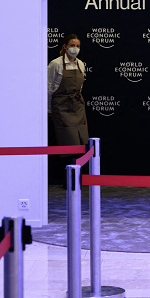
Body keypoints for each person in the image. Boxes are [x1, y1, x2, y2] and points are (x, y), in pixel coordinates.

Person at [48, 34, 89, 185]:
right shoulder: (56, 64)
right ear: (65, 46)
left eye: (78, 46)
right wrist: (49, 110)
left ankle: (78, 178)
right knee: (67, 142)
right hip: (62, 106)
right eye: (72, 45)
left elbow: (80, 86)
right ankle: (68, 179)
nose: (75, 49)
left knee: (81, 141)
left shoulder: (81, 64)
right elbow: (49, 88)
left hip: (77, 106)